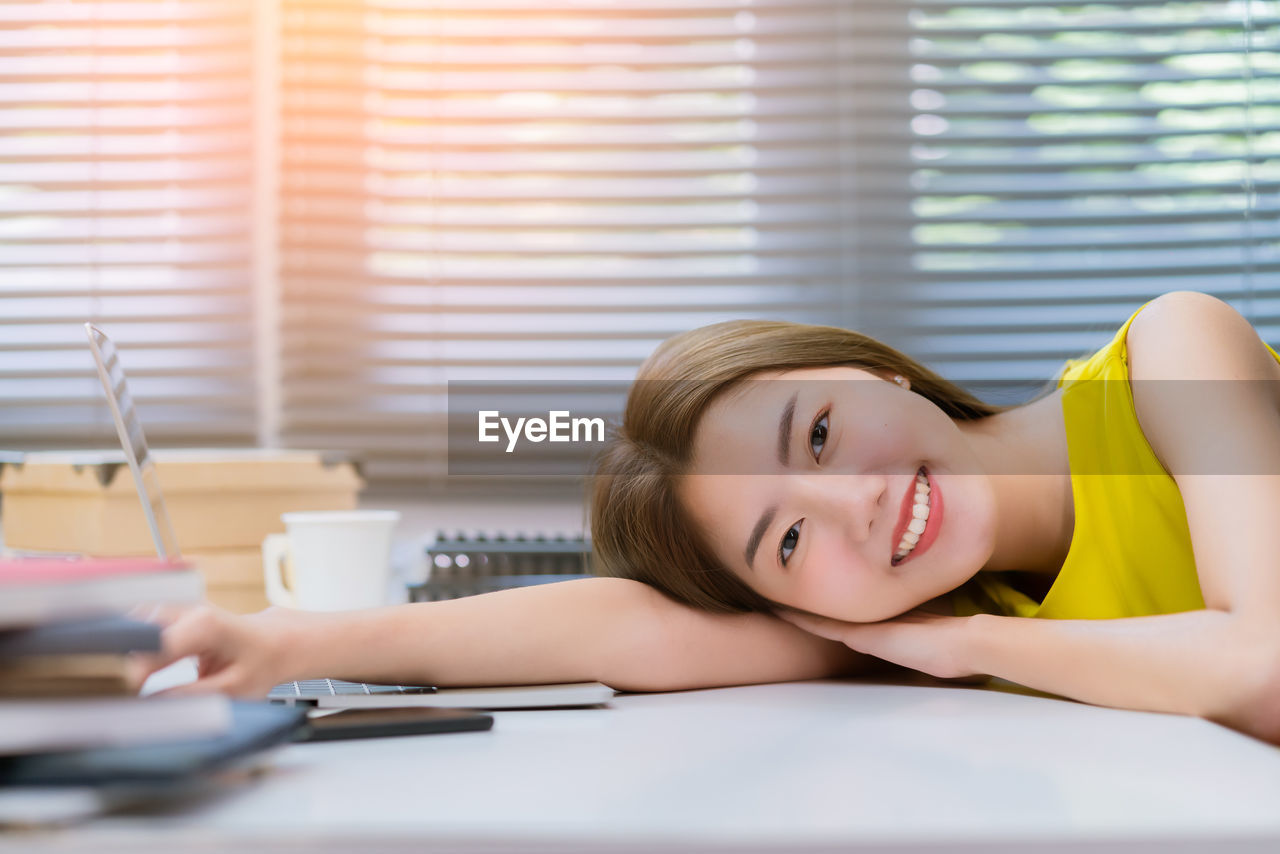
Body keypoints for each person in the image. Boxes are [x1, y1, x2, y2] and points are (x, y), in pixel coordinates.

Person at [128, 290, 1280, 745]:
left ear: (863, 372)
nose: (851, 505)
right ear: (786, 599)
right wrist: (282, 641)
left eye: (817, 435)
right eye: (783, 541)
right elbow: (615, 627)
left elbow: (1258, 661)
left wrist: (972, 646)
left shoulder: (1170, 358)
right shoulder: (908, 609)